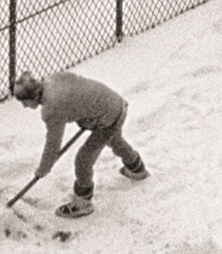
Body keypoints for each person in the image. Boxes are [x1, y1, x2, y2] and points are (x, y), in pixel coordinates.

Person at [12, 70, 147, 218]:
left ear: (33, 96)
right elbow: (78, 93)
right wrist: (87, 114)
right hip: (114, 103)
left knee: (84, 158)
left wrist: (43, 169)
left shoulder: (52, 107)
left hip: (108, 117)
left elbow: (53, 144)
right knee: (114, 139)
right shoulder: (54, 79)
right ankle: (136, 168)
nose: (24, 106)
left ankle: (83, 202)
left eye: (24, 102)